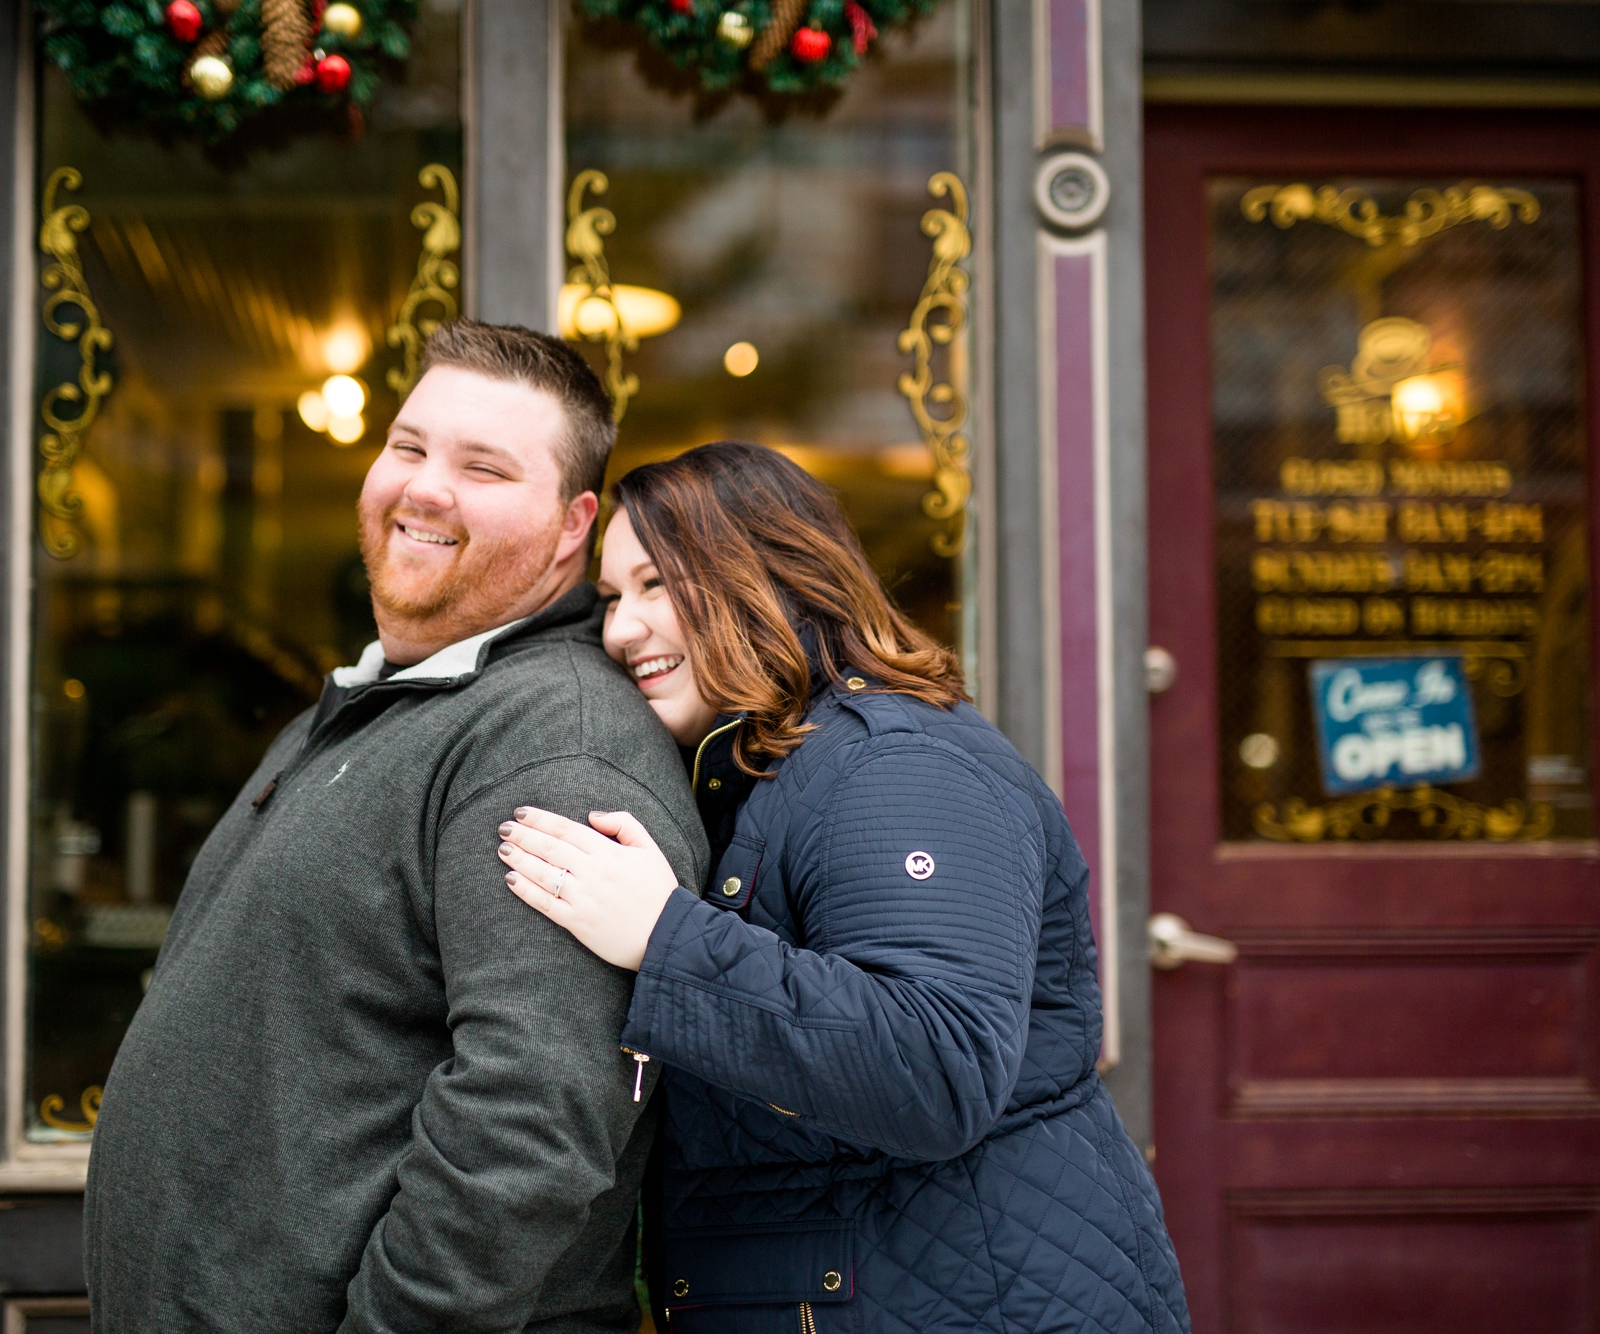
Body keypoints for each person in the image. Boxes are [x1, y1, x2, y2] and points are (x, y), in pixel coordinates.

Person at [83, 321, 708, 1333]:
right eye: (409, 447)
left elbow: (530, 1120)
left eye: (483, 467)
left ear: (568, 526)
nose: (423, 486)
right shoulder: (387, 703)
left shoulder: (552, 738)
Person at [498, 442, 1191, 1334]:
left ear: (768, 572)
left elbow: (940, 1065)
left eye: (657, 585)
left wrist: (663, 939)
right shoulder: (764, 766)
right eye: (611, 597)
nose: (620, 629)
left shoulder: (893, 762)